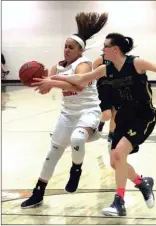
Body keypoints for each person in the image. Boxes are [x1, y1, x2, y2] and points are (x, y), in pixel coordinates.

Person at [32, 33, 156, 216]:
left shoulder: (136, 63)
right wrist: (53, 80)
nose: (102, 50)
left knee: (119, 154)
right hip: (123, 118)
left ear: (115, 49)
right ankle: (142, 183)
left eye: (105, 46)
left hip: (143, 117)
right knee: (115, 162)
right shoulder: (106, 69)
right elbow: (81, 80)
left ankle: (119, 202)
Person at [20, 12, 108, 209]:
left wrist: (53, 81)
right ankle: (38, 193)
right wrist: (39, 81)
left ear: (80, 51)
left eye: (71, 47)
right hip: (67, 114)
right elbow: (46, 87)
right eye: (65, 47)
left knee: (77, 139)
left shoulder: (83, 64)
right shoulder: (56, 67)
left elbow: (78, 87)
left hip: (88, 111)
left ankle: (76, 170)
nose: (66, 50)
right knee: (52, 153)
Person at [94, 54, 116, 143]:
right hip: (103, 89)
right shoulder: (100, 59)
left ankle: (111, 134)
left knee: (115, 113)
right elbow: (92, 74)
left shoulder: (122, 60)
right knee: (107, 115)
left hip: (117, 89)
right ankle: (101, 121)